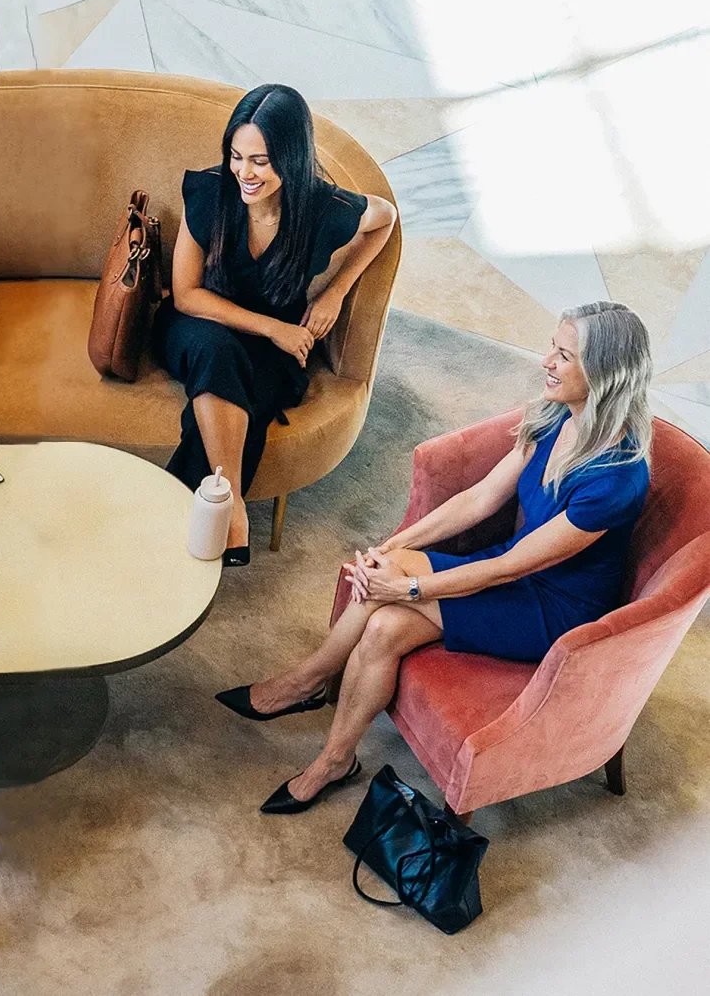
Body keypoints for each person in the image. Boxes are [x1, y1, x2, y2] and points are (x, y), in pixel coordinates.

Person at [217, 301, 654, 814]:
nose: (545, 363)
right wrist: (395, 545)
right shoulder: (557, 414)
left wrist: (406, 589)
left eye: (563, 355)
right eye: (552, 349)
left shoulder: (618, 478)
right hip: (512, 564)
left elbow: (512, 568)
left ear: (603, 375)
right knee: (384, 622)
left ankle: (310, 684)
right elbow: (480, 499)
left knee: (390, 600)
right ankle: (334, 748)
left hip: (554, 608)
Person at [152, 83, 397, 567]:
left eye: (260, 160)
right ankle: (234, 510)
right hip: (198, 326)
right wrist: (272, 327)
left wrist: (336, 291)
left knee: (239, 392)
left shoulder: (324, 209)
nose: (244, 172)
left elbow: (385, 218)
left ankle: (170, 538)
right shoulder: (210, 193)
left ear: (290, 156)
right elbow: (187, 295)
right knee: (216, 352)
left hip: (272, 352)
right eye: (236, 155)